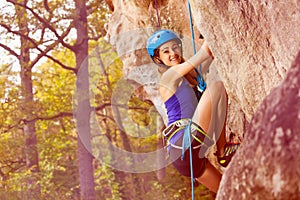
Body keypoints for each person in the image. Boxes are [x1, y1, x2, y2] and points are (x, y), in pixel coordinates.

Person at [146, 29, 240, 193]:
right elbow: (204, 54)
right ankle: (222, 149)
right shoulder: (168, 77)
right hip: (184, 140)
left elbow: (207, 59)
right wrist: (210, 27)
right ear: (158, 58)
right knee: (216, 86)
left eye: (175, 47)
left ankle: (223, 153)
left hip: (183, 156)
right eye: (165, 51)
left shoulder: (190, 77)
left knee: (229, 194)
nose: (172, 53)